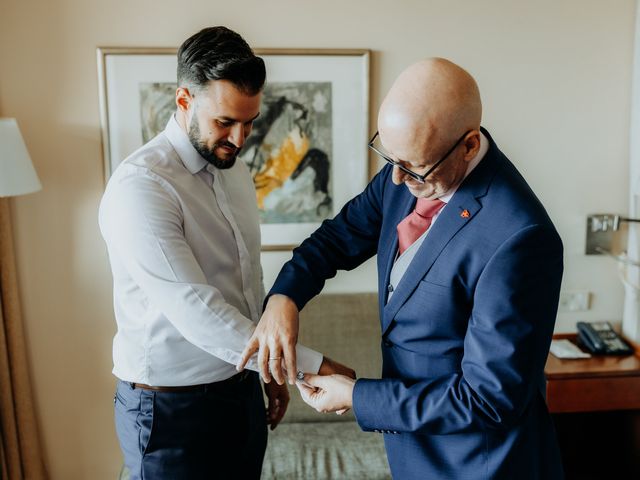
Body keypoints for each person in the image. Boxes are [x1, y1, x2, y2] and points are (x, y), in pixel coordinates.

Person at [238, 58, 565, 479]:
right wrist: (284, 298)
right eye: (387, 155)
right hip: (414, 455)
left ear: (468, 145)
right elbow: (335, 240)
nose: (394, 179)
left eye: (412, 166)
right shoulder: (408, 172)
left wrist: (360, 398)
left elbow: (487, 399)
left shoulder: (520, 237)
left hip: (480, 465)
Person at [99, 26, 351, 480]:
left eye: (250, 121)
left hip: (239, 391)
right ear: (184, 100)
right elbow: (197, 310)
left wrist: (266, 373)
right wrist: (305, 364)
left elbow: (244, 283)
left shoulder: (233, 170)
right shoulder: (141, 187)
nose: (240, 138)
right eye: (225, 122)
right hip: (168, 409)